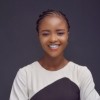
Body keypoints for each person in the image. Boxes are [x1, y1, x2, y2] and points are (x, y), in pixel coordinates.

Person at [9, 9, 100, 100]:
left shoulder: (81, 73)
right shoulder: (25, 75)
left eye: (60, 33)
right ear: (38, 37)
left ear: (67, 35)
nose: (53, 39)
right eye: (45, 34)